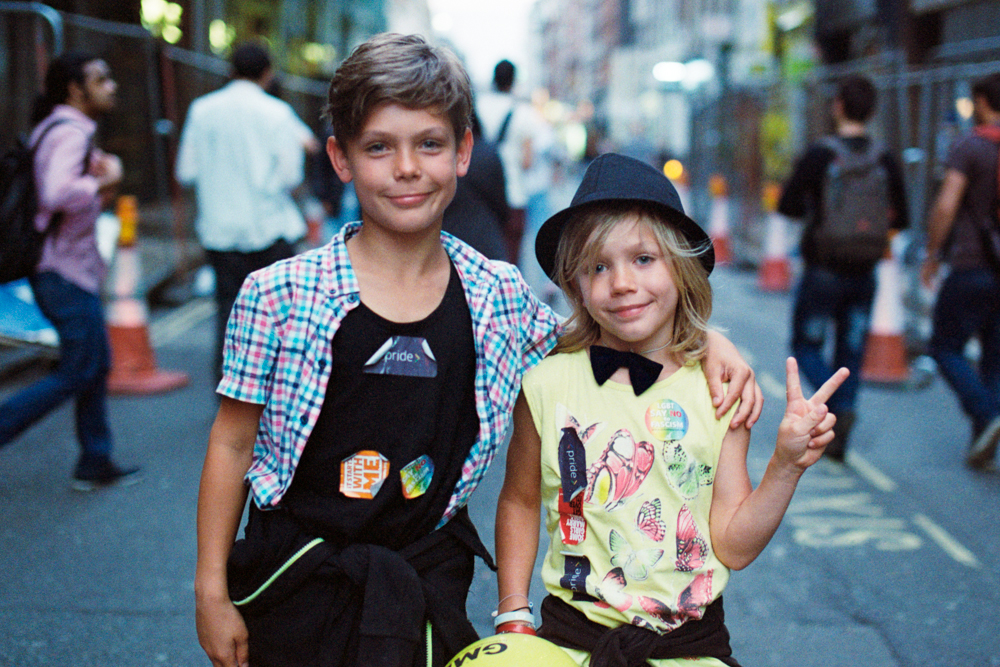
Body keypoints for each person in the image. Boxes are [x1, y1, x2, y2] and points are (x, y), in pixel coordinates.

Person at [194, 34, 762, 667]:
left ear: (463, 151)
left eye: (429, 144)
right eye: (378, 147)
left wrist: (707, 340)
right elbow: (232, 444)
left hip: (426, 584)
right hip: (296, 579)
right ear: (340, 157)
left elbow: (602, 334)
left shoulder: (496, 294)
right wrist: (210, 590)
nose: (406, 168)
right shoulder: (277, 295)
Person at [494, 153, 849, 666]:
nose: (621, 282)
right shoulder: (546, 385)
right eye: (598, 267)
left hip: (688, 649)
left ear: (681, 269)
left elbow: (734, 547)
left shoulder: (719, 390)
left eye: (643, 259)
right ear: (576, 286)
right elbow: (520, 501)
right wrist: (512, 612)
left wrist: (786, 466)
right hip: (570, 643)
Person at [0, 52, 140, 490]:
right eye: (101, 79)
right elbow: (57, 193)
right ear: (75, 90)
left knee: (94, 365)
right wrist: (106, 179)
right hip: (61, 272)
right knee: (81, 368)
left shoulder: (59, 128)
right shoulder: (70, 133)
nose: (111, 86)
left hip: (68, 270)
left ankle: (95, 460)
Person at [777, 74, 909, 461]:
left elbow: (787, 204)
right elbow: (902, 215)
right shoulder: (884, 157)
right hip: (865, 271)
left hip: (822, 268)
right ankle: (845, 409)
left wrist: (817, 214)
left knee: (805, 345)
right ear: (871, 111)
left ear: (838, 107)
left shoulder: (821, 154)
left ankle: (835, 408)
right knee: (851, 351)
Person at [175, 41, 311, 381]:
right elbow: (291, 176)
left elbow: (186, 171)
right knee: (277, 320)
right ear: (267, 73)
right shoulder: (277, 112)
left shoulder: (202, 110)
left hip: (219, 229)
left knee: (228, 313)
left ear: (231, 70)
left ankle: (229, 391)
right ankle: (273, 392)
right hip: (270, 229)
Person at [920, 72, 1000, 470]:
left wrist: (932, 253)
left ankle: (986, 414)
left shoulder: (970, 146)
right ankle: (983, 443)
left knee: (943, 346)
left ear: (982, 102)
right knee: (995, 359)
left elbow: (947, 204)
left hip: (971, 265)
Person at [477, 59, 535, 265]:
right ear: (513, 81)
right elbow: (527, 161)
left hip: (481, 196)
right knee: (510, 262)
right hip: (513, 196)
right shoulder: (523, 112)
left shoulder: (478, 106)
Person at [442, 112, 509, 260]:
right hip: (485, 238)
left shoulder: (445, 158)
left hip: (450, 234)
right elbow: (501, 204)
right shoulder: (488, 153)